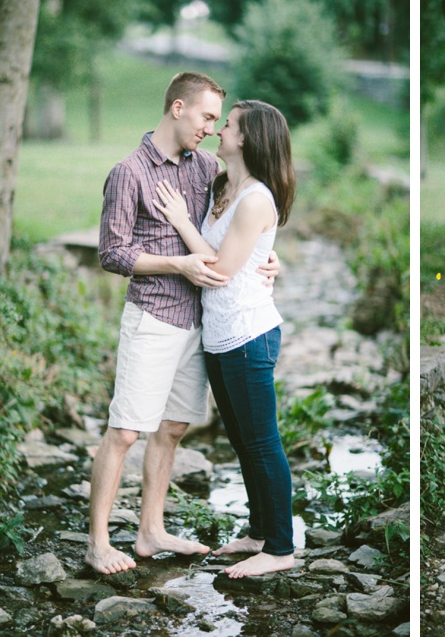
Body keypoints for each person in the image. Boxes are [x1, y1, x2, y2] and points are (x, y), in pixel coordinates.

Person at [90, 72, 280, 575]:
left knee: (172, 428)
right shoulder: (128, 172)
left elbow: (240, 222)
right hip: (153, 317)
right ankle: (99, 542)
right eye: (206, 117)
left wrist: (269, 256)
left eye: (220, 121)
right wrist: (176, 264)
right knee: (126, 431)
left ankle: (150, 531)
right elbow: (112, 253)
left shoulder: (207, 168)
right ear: (178, 108)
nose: (212, 129)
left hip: (200, 322)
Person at [155, 99, 297, 578]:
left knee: (262, 442)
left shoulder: (256, 198)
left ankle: (280, 548)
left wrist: (178, 221)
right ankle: (259, 531)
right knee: (242, 440)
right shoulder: (222, 182)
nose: (218, 130)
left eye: (228, 125)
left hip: (247, 335)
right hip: (218, 335)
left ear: (248, 138)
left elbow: (217, 270)